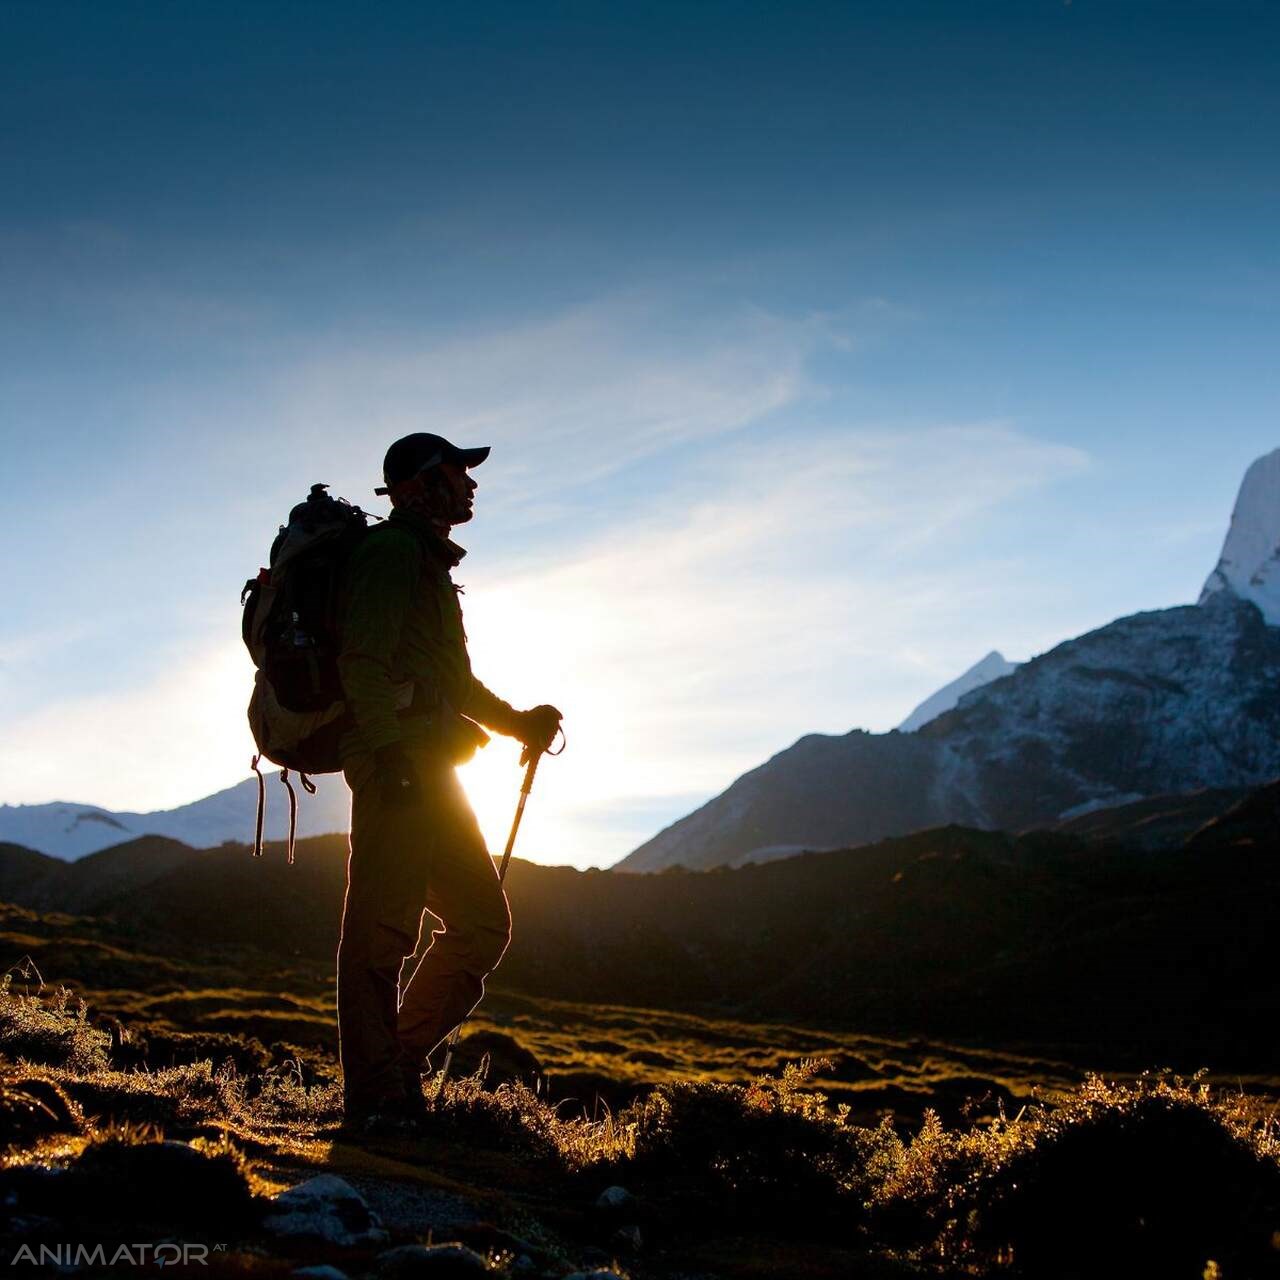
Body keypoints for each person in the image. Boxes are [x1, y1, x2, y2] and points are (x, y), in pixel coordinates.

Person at [335, 432, 561, 1129]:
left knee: (482, 923)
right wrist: (392, 756)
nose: (469, 484)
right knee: (382, 933)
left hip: (431, 770)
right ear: (415, 486)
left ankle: (394, 1071)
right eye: (455, 472)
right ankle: (376, 1100)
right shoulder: (392, 555)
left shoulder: (427, 565)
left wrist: (520, 723)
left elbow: (451, 683)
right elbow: (361, 662)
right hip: (400, 769)